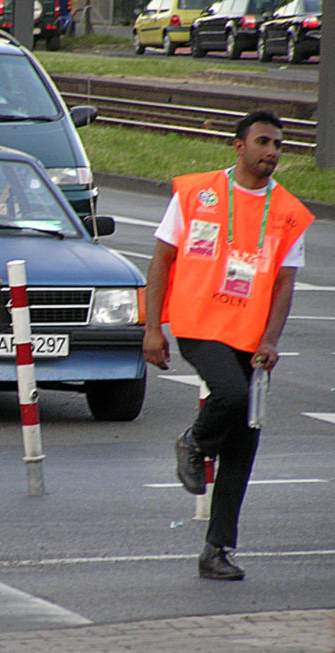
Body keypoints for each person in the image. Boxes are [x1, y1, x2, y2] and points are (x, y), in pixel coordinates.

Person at [143, 109, 314, 581]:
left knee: (243, 444)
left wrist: (271, 340)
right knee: (230, 395)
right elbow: (162, 260)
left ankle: (216, 549)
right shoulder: (196, 193)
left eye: (278, 144)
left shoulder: (288, 213)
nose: (272, 152)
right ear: (239, 146)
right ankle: (194, 442)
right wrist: (153, 328)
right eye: (263, 142)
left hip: (252, 337)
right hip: (199, 323)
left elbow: (284, 284)